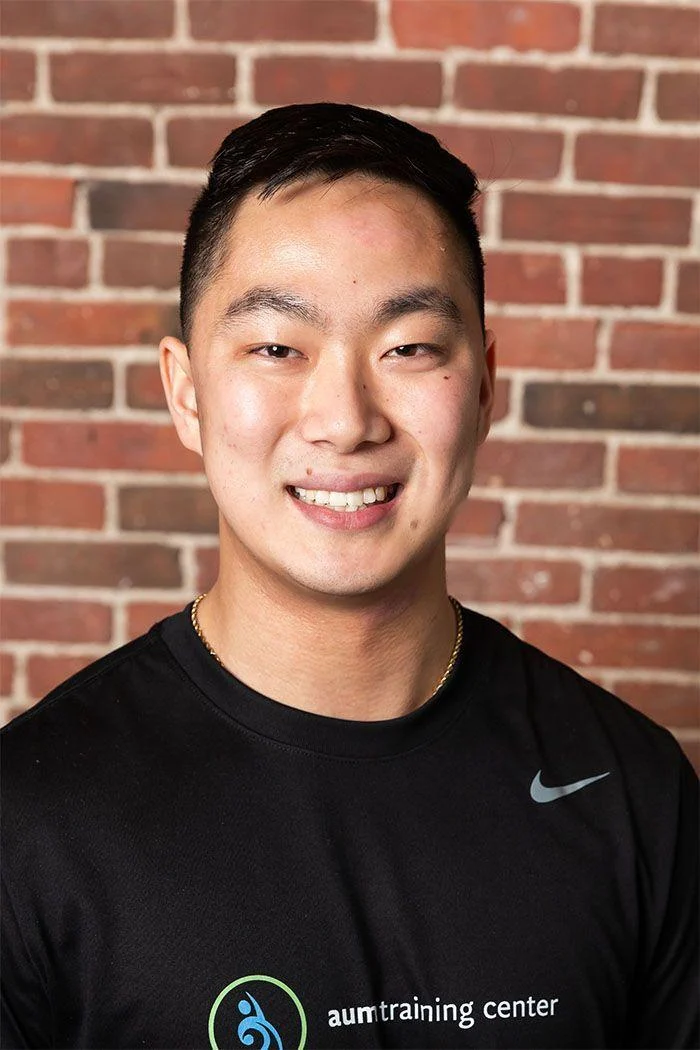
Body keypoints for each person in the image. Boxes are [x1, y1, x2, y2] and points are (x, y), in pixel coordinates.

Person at [1, 103, 697, 1050]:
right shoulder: (30, 821)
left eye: (408, 346)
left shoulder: (633, 792)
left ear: (485, 385)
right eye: (278, 348)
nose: (344, 418)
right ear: (186, 391)